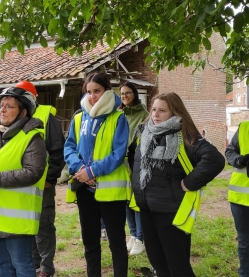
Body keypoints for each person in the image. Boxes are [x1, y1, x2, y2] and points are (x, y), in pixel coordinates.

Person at [132, 92, 225, 277]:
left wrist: (188, 184)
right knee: (158, 263)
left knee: (178, 266)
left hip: (171, 212)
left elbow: (215, 159)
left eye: (162, 111)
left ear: (175, 113)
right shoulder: (145, 133)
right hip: (146, 208)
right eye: (154, 110)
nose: (155, 115)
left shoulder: (185, 136)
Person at [0, 87, 48, 277]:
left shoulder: (32, 137)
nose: (2, 110)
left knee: (22, 266)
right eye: (1, 105)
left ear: (23, 112)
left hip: (17, 221)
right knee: (3, 265)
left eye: (9, 106)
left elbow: (33, 172)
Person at [64, 72, 131, 277]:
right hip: (85, 191)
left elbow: (118, 154)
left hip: (111, 193)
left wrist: (92, 171)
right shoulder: (78, 119)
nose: (93, 96)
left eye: (97, 91)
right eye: (89, 91)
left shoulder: (118, 118)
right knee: (90, 243)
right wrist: (80, 169)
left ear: (106, 92)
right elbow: (69, 147)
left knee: (117, 243)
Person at [15, 80, 65, 277]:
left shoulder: (47, 118)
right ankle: (34, 264)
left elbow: (57, 151)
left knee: (43, 225)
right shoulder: (16, 117)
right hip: (22, 183)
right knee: (28, 224)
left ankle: (46, 268)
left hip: (42, 183)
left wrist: (50, 178)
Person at [119, 81, 148, 256]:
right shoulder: (120, 114)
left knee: (136, 202)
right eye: (122, 94)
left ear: (135, 94)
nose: (125, 96)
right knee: (126, 201)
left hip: (136, 163)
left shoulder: (144, 115)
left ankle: (140, 238)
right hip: (121, 164)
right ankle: (132, 234)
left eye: (128, 93)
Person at [225, 122, 249, 277]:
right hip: (240, 199)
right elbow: (230, 151)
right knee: (245, 242)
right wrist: (239, 160)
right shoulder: (245, 127)